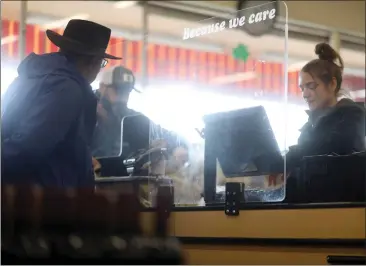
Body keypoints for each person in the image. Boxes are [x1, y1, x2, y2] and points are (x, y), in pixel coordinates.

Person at [1, 19, 121, 187]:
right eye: (102, 63)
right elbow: (30, 147)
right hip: (46, 201)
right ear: (94, 61)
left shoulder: (28, 78)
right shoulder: (68, 90)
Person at [285, 42, 365, 170]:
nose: (305, 94)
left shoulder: (352, 115)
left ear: (332, 84)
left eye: (311, 86)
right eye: (302, 88)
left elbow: (330, 145)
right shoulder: (309, 126)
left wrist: (289, 159)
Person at [92, 66, 140, 158]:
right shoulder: (85, 114)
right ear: (102, 87)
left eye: (127, 92)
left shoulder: (131, 118)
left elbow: (158, 132)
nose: (122, 98)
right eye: (118, 91)